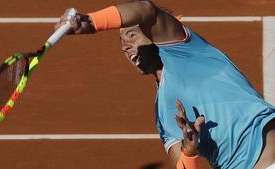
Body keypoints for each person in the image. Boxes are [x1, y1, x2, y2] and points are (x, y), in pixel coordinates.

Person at [55, 1, 275, 168]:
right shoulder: (163, 115)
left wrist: (91, 22)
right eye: (121, 41)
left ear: (153, 35)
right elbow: (182, 163)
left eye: (132, 36)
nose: (125, 47)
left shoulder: (185, 51)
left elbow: (146, 9)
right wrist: (189, 151)